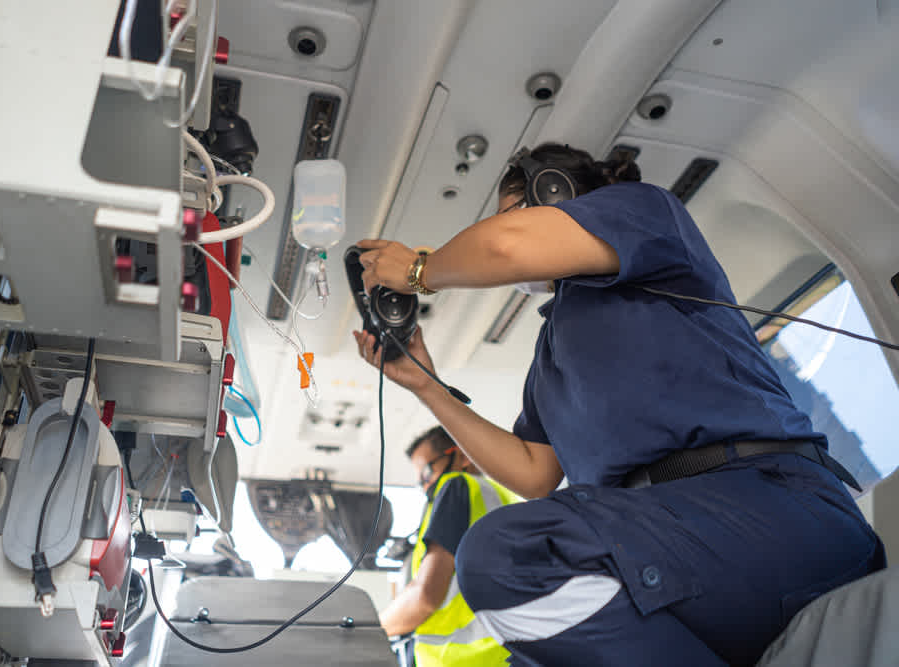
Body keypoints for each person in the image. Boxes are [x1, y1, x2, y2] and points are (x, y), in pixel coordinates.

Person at [353, 143, 885, 666]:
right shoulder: (551, 351)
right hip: (669, 543)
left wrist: (420, 269)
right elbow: (534, 472)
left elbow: (507, 246)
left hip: (765, 511)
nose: (494, 230)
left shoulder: (645, 212)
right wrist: (427, 385)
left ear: (555, 192)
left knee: (514, 555)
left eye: (508, 214)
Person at [379, 426, 520, 666]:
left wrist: (371, 627)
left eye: (427, 472)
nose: (425, 485)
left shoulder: (456, 486)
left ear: (463, 455)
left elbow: (425, 596)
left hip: (463, 660)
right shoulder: (506, 498)